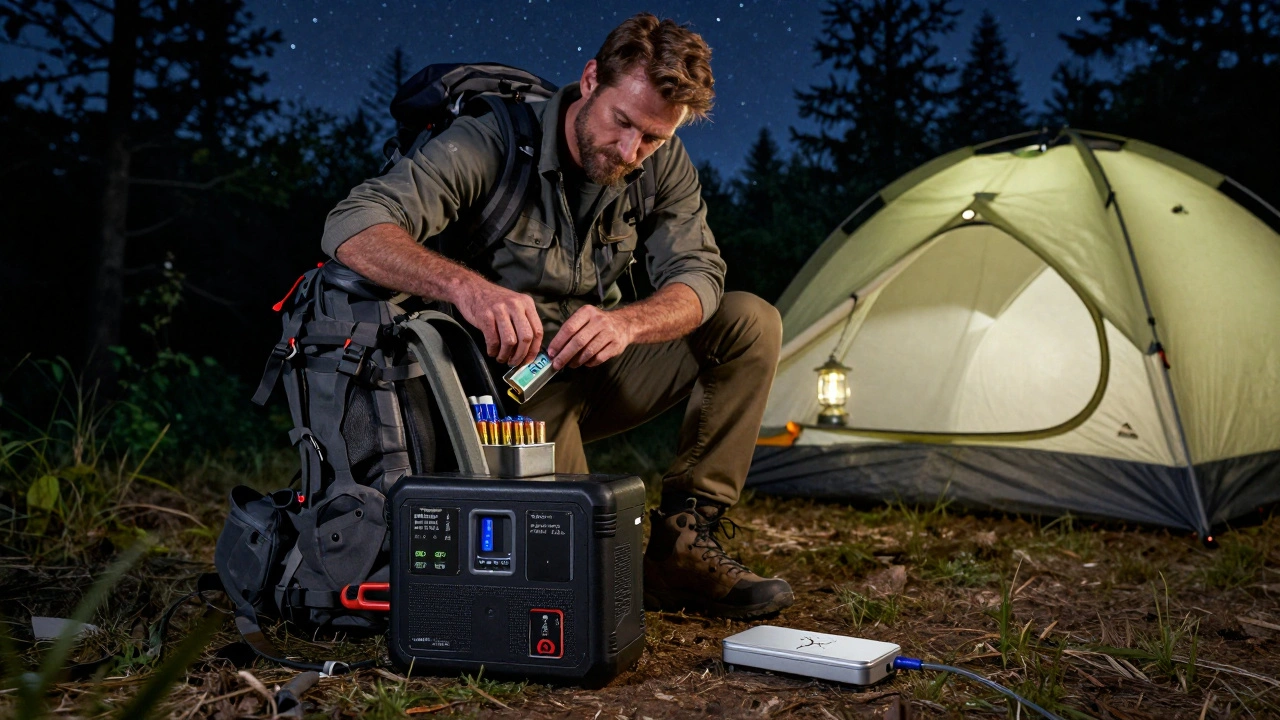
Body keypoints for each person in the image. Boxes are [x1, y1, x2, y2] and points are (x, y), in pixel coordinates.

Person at [322, 13, 792, 619]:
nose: (631, 152)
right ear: (591, 79)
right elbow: (353, 225)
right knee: (588, 586)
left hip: (600, 365)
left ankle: (683, 547)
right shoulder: (490, 142)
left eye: (652, 138)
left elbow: (700, 276)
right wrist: (469, 290)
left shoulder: (659, 161)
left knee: (749, 321)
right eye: (623, 122)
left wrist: (627, 324)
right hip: (504, 394)